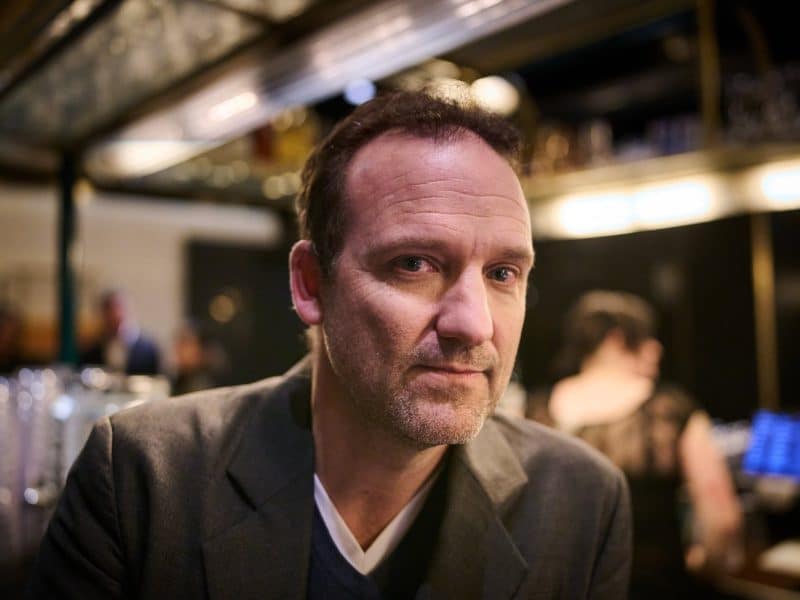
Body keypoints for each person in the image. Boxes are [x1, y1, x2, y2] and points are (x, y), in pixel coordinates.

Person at [28, 91, 632, 599]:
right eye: (415, 264)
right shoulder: (147, 480)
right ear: (311, 284)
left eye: (503, 274)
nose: (473, 324)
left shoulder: (580, 503)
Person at [528, 290, 742, 598]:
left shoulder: (534, 409)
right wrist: (706, 568)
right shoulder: (668, 409)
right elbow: (721, 518)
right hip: (651, 587)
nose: (657, 348)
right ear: (615, 339)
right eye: (646, 337)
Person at [80, 289, 161, 376]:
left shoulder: (148, 349)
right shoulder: (94, 348)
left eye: (118, 309)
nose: (115, 315)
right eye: (109, 312)